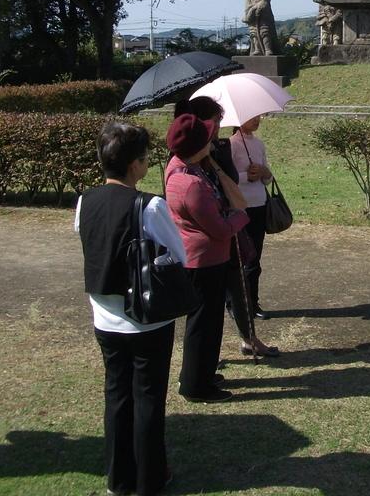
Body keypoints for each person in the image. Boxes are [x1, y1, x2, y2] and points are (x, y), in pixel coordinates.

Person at [75, 122, 184, 496]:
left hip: (103, 316)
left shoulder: (84, 200)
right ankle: (149, 479)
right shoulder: (149, 205)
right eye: (145, 158)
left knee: (117, 395)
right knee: (148, 398)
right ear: (136, 165)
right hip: (146, 319)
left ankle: (118, 478)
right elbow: (179, 255)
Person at [171, 98, 278, 360]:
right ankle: (205, 358)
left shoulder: (218, 148)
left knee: (239, 284)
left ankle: (249, 338)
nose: (219, 125)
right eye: (215, 120)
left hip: (228, 224)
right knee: (207, 305)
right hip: (207, 235)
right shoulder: (187, 155)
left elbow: (230, 179)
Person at [165, 113, 253, 403]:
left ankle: (200, 373)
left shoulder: (182, 167)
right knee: (204, 324)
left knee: (204, 321)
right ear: (197, 146)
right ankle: (195, 385)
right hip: (205, 260)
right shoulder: (191, 184)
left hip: (199, 257)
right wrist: (240, 217)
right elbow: (220, 229)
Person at [230, 115, 273, 319]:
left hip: (260, 206)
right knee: (241, 258)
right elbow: (228, 178)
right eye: (252, 117)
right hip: (241, 208)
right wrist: (248, 175)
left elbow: (268, 179)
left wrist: (263, 171)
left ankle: (252, 301)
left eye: (258, 116)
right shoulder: (231, 145)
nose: (257, 119)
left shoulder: (259, 144)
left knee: (255, 257)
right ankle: (237, 303)